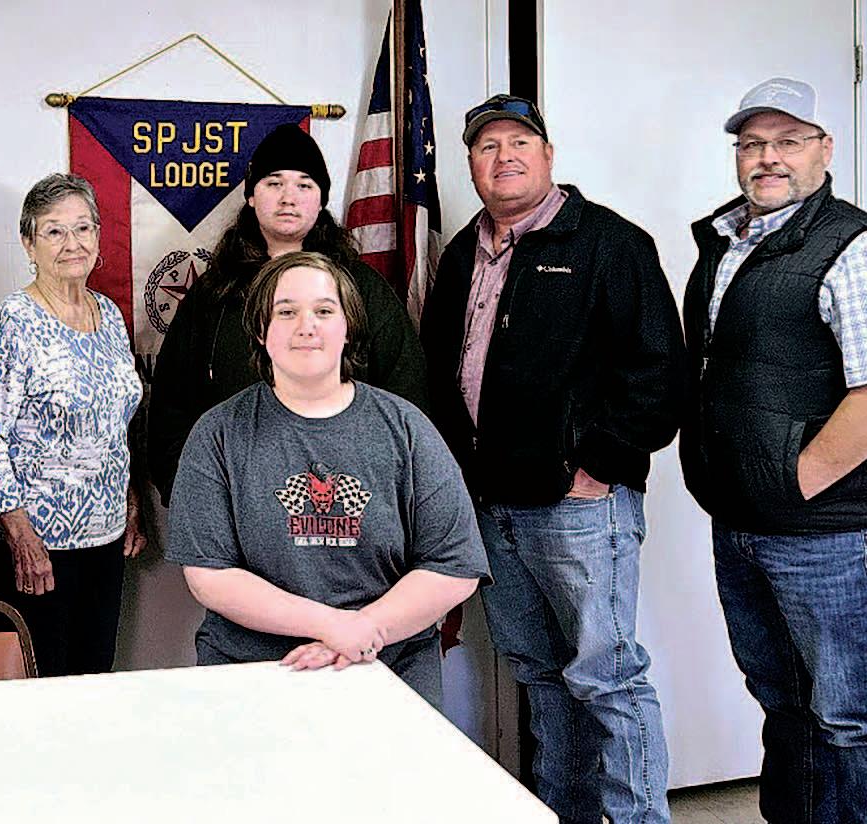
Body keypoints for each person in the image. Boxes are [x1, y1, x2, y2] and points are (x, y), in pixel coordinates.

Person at [418, 95, 684, 824]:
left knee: (607, 679)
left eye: (519, 142)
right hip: (491, 508)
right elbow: (441, 372)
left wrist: (594, 467)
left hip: (577, 507)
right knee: (540, 677)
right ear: (470, 164)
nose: (503, 156)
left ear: (547, 154)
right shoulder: (461, 254)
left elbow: (660, 372)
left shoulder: (609, 244)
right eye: (486, 146)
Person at [165, 252, 485, 706]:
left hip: (387, 670)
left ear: (348, 327)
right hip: (255, 673)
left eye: (324, 310)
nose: (306, 326)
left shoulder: (407, 428)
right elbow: (209, 575)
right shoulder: (218, 433)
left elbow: (453, 566)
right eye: (286, 312)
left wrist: (363, 631)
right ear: (261, 330)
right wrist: (332, 627)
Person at [681, 78, 867, 824]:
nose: (768, 158)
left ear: (824, 149)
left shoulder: (851, 246)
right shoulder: (726, 243)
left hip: (824, 533)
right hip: (740, 523)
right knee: (781, 701)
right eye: (752, 144)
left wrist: (797, 484)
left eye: (788, 141)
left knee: (846, 714)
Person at [149, 123, 428, 506]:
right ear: (251, 196)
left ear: (321, 199)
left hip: (338, 506)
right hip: (233, 501)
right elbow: (171, 408)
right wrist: (193, 498)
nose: (288, 198)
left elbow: (406, 401)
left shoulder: (362, 290)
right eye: (274, 183)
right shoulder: (214, 293)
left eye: (304, 185)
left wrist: (380, 501)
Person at [0, 174, 145, 677]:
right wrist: (17, 530)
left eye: (83, 228)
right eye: (54, 231)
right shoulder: (13, 322)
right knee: (43, 689)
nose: (73, 243)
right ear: (29, 244)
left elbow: (115, 421)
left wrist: (129, 496)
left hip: (106, 539)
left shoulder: (108, 314)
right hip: (39, 545)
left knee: (94, 678)